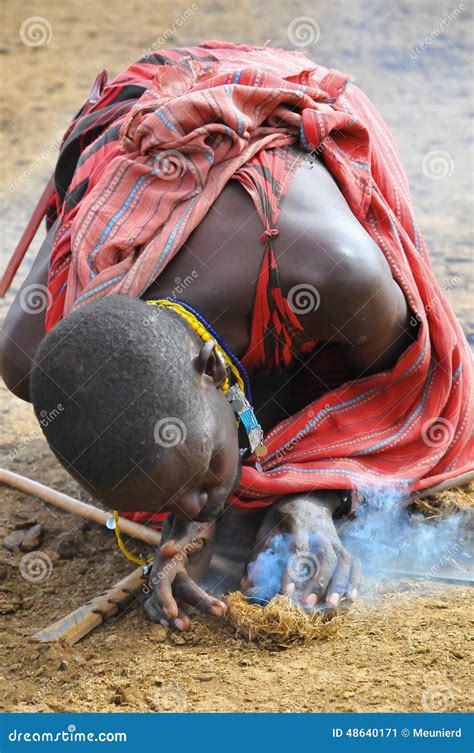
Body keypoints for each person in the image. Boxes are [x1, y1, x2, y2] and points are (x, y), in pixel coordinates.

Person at [1, 41, 472, 632]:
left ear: (216, 371)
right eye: (174, 504)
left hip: (254, 100)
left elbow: (418, 397)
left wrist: (315, 496)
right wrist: (189, 502)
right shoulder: (33, 350)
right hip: (131, 135)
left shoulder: (339, 276)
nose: (198, 514)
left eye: (197, 486)